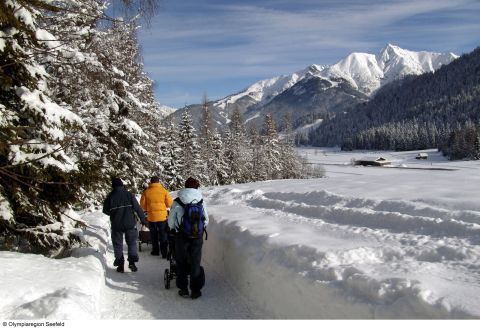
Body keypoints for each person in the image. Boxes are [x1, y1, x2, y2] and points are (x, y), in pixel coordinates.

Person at [168, 177, 209, 299]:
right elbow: (206, 220)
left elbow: (171, 222)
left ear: (185, 186)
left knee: (181, 262)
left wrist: (174, 229)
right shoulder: (201, 201)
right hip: (197, 237)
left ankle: (184, 289)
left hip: (181, 236)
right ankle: (195, 290)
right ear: (197, 187)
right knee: (195, 262)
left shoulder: (177, 201)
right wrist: (199, 229)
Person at [103, 177, 146, 273]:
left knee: (118, 244)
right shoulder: (129, 194)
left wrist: (113, 213)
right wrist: (143, 220)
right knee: (131, 243)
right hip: (130, 223)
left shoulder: (110, 196)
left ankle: (120, 265)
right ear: (122, 185)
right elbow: (137, 208)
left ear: (113, 186)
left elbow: (105, 210)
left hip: (116, 224)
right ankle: (132, 263)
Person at [140, 176, 173, 258]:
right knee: (163, 234)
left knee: (153, 234)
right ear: (158, 182)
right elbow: (169, 203)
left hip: (151, 217)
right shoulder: (164, 190)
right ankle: (164, 253)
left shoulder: (146, 191)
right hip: (162, 217)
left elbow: (142, 205)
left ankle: (155, 251)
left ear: (151, 182)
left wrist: (148, 208)